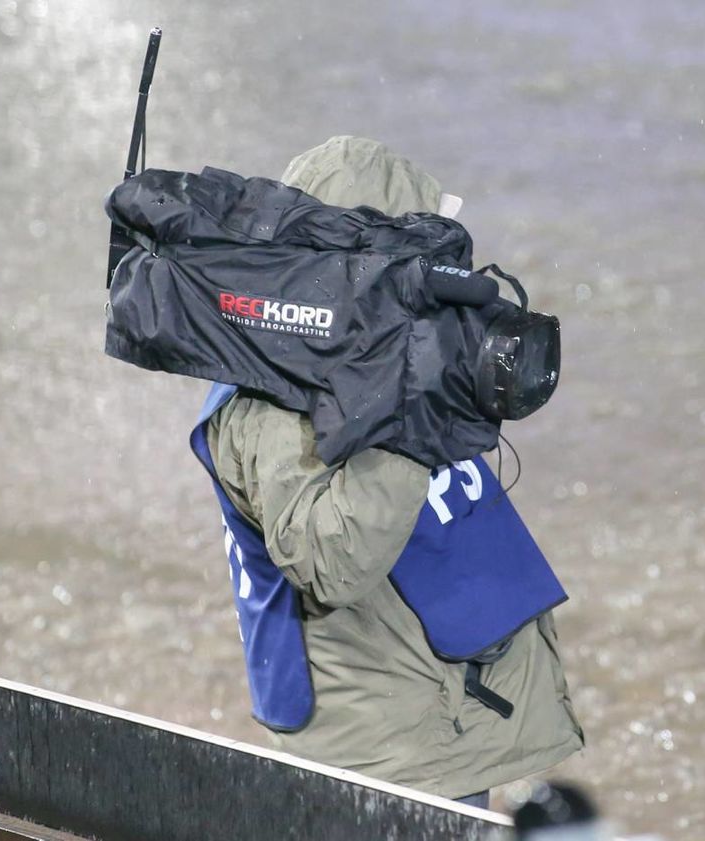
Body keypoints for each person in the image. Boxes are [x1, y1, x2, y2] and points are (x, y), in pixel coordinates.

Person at [193, 136, 584, 807]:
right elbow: (332, 560)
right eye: (419, 258)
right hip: (385, 756)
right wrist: (416, 416)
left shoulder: (364, 356)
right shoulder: (272, 397)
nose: (435, 278)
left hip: (434, 725)